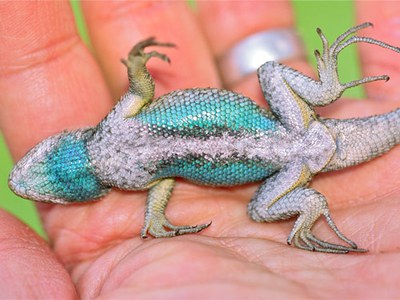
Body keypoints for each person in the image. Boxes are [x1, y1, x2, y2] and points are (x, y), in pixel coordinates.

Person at [0, 2, 399, 298]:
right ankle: (326, 92)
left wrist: (155, 218)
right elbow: (142, 90)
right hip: (295, 129)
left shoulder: (138, 178)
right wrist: (137, 65)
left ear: (89, 190)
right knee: (270, 72)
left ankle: (308, 207)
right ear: (67, 139)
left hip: (290, 169)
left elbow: (163, 181)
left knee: (261, 210)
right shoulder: (117, 124)